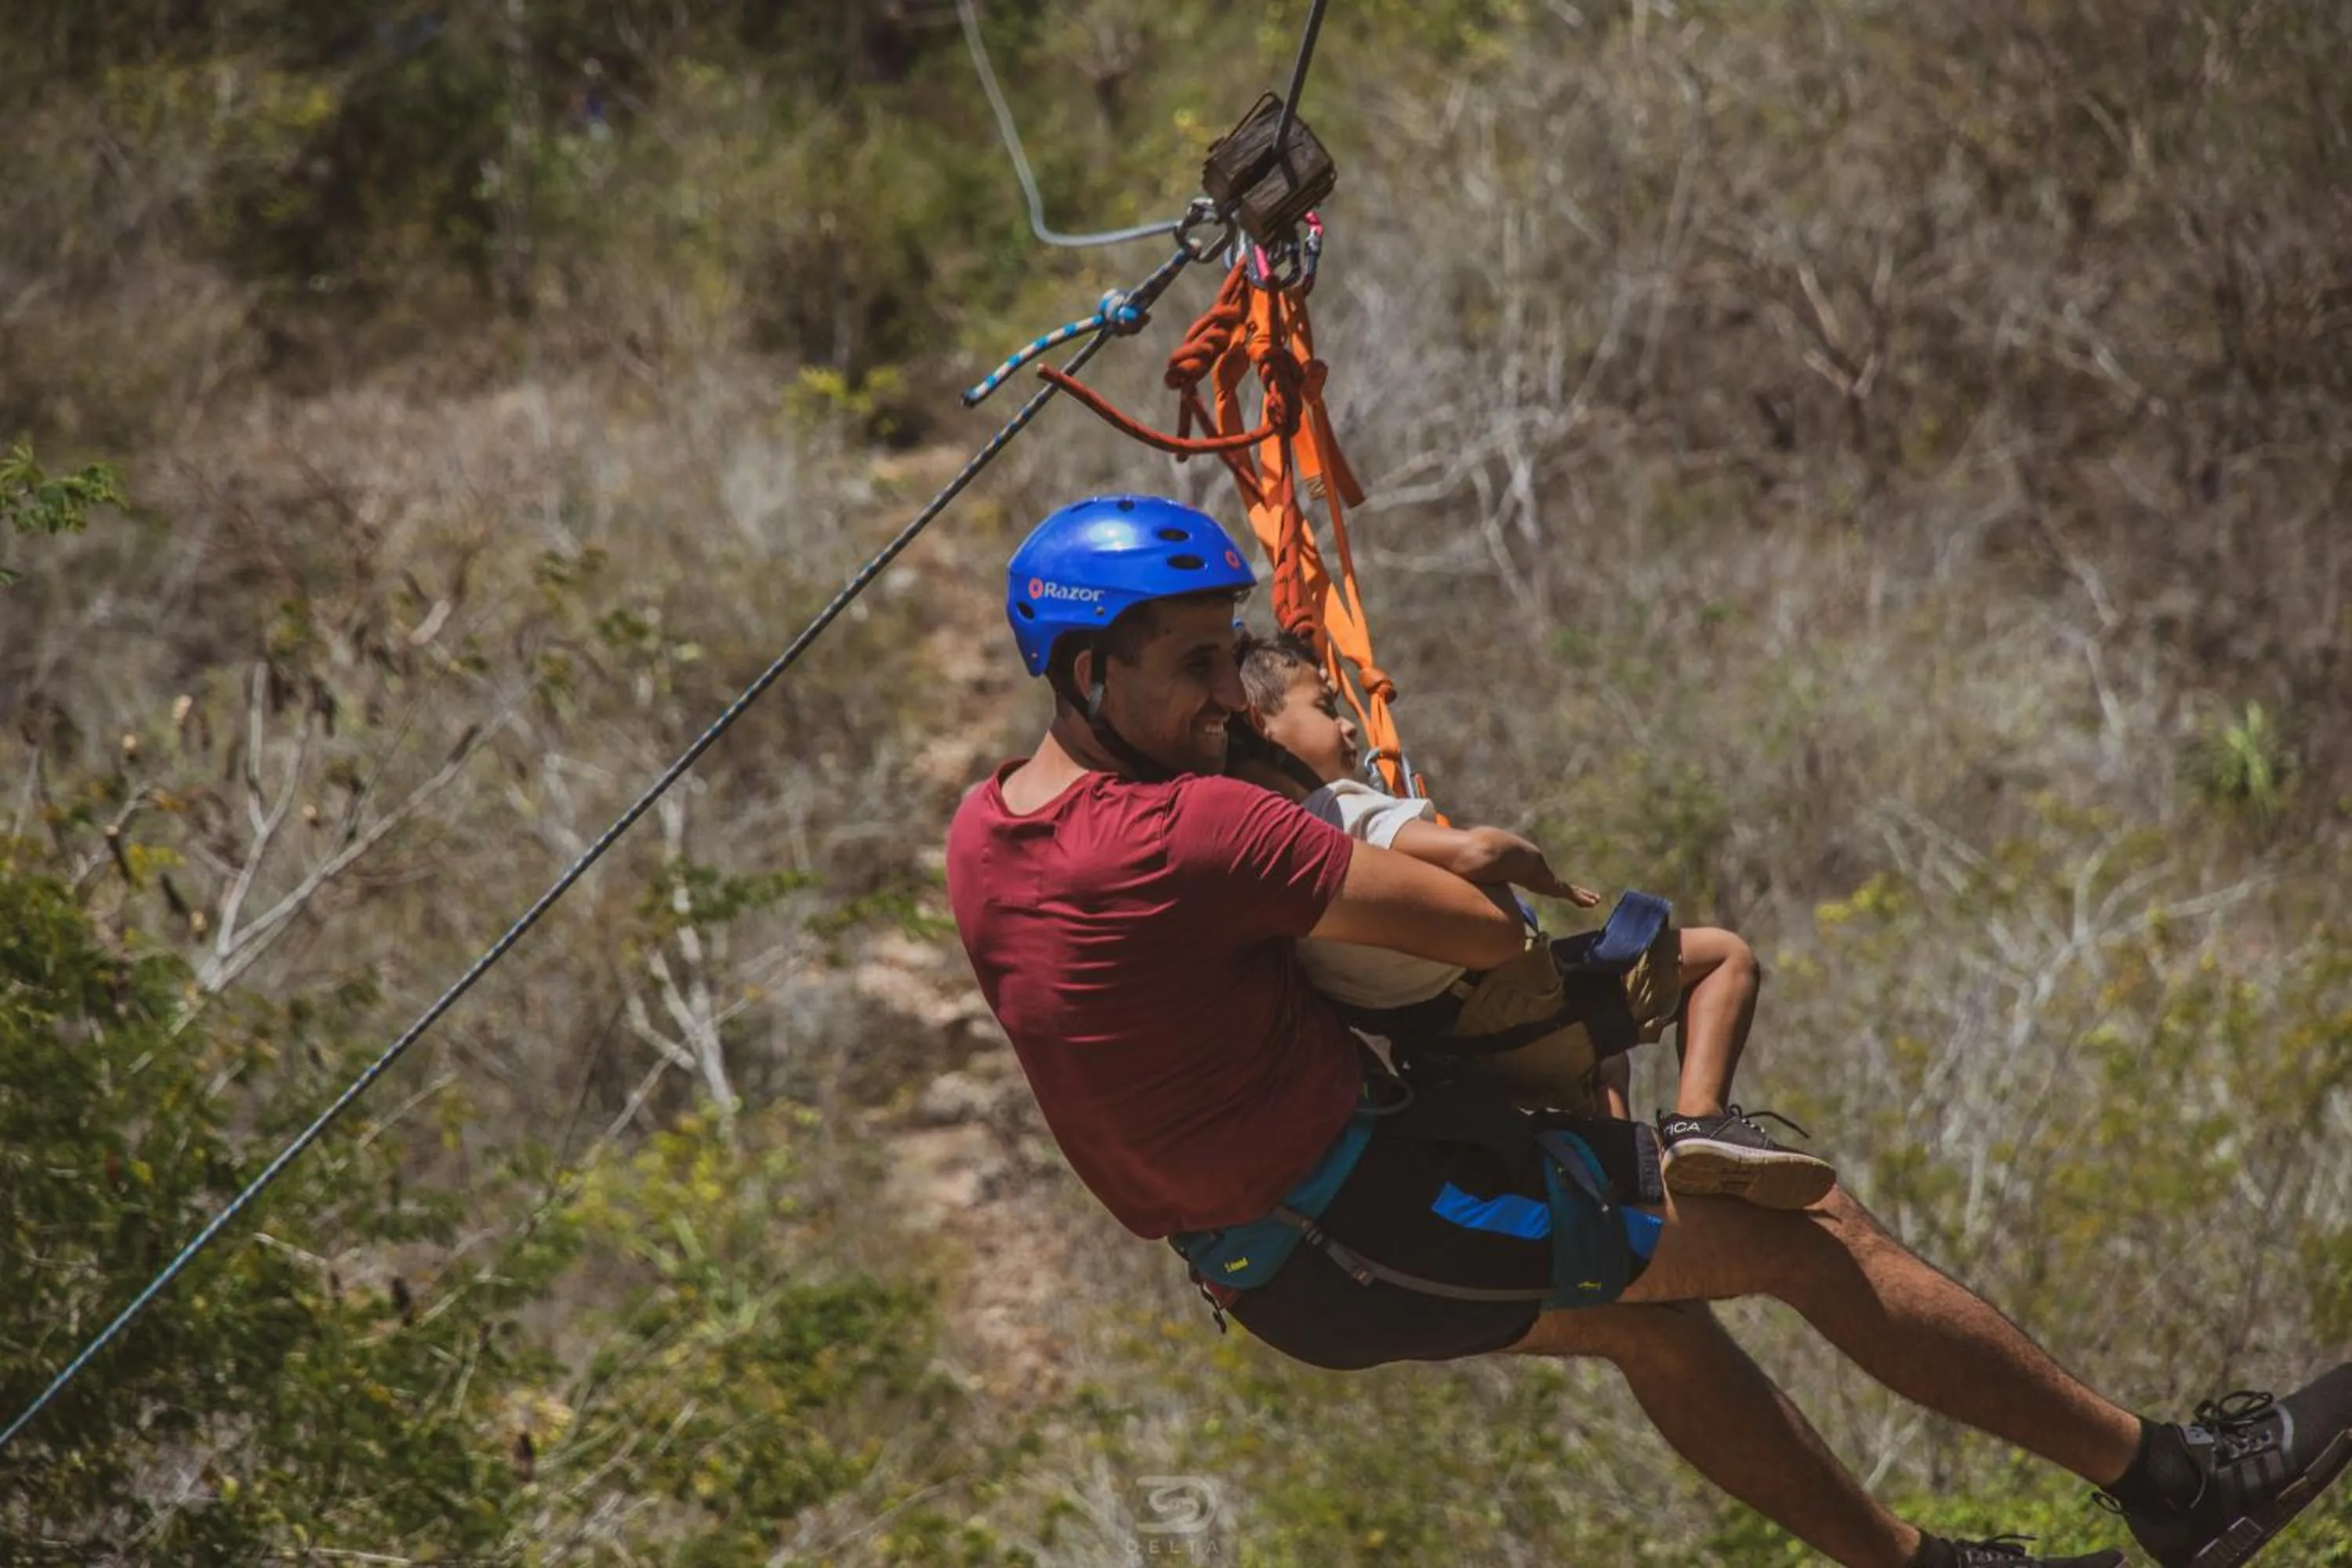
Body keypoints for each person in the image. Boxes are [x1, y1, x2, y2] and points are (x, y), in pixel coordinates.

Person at [942, 493, 2352, 1568]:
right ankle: (2181, 1490)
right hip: (1371, 1219)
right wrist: (1404, 837)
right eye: (1194, 667)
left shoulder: (986, 830)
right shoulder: (1201, 827)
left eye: (1228, 663)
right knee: (1808, 1235)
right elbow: (1487, 938)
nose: (1227, 701)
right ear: (1085, 678)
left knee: (1661, 1336)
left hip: (1283, 1268)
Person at [1229, 626, 1835, 1210]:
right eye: (1326, 705)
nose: (1346, 725)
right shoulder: (1335, 808)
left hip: (1440, 1048)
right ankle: (1701, 1120)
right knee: (1726, 957)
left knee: (1607, 1061)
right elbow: (1479, 853)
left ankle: (1623, 1174)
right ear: (1262, 724)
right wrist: (1540, 872)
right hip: (1512, 1005)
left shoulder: (1260, 874)